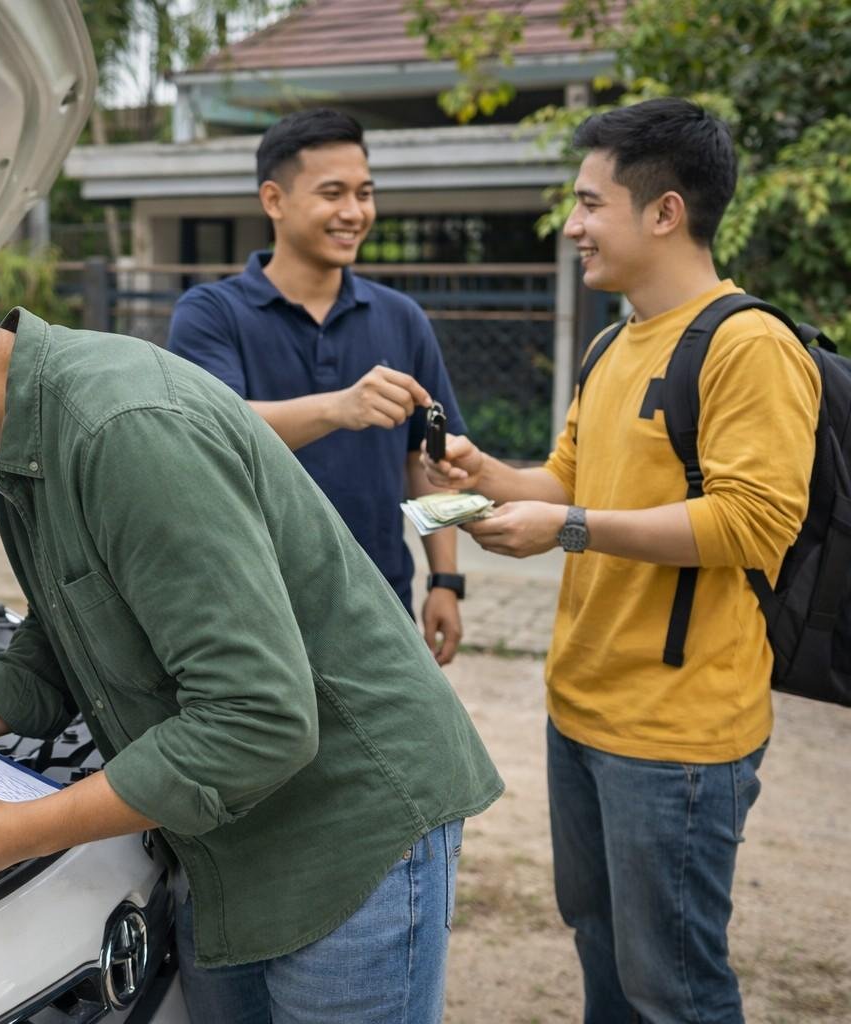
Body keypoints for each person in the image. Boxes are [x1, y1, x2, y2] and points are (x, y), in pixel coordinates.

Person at [0, 206, 502, 1022]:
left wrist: (22, 828)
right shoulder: (17, 438)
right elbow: (75, 621)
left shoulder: (121, 430)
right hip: (225, 839)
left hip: (345, 834)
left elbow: (259, 719)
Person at [423, 98, 820, 1023]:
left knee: (672, 987)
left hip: (677, 738)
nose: (573, 226)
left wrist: (568, 531)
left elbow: (754, 522)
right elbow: (567, 478)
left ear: (665, 212)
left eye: (589, 202)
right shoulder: (612, 343)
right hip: (585, 709)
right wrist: (485, 473)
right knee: (602, 952)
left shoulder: (748, 346)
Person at [169, 108, 469, 664]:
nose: (354, 212)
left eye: (365, 193)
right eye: (333, 193)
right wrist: (339, 407)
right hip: (251, 611)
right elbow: (210, 433)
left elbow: (427, 465)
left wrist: (447, 579)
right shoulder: (210, 312)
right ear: (274, 200)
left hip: (381, 606)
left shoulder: (401, 318)